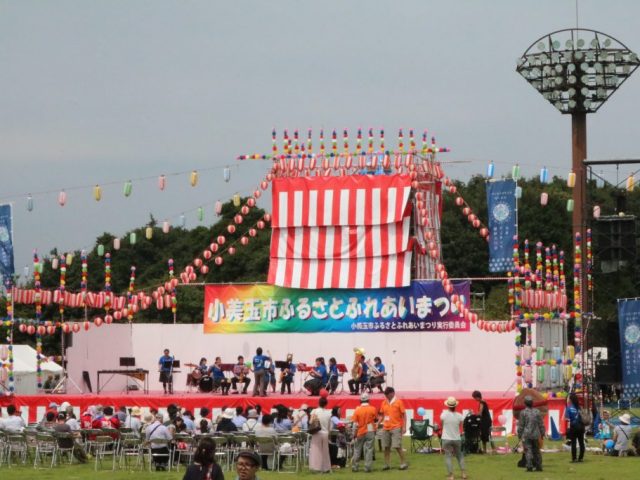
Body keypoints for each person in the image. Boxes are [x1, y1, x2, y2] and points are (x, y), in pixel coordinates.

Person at [379, 386, 408, 470]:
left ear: (392, 393)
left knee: (397, 446)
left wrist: (404, 427)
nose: (386, 396)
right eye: (385, 395)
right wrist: (377, 423)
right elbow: (382, 414)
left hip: (396, 427)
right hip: (386, 427)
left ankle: (403, 463)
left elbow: (404, 415)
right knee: (386, 447)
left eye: (387, 394)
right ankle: (386, 464)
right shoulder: (384, 402)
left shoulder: (399, 402)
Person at [440, 397, 467, 480]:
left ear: (448, 405)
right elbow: (460, 426)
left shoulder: (443, 415)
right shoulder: (459, 416)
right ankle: (463, 473)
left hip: (446, 438)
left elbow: (442, 425)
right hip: (456, 438)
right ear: (455, 405)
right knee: (460, 456)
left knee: (448, 456)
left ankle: (451, 475)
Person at [517, 395, 545, 472]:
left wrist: (519, 435)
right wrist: (542, 433)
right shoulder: (537, 412)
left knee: (528, 450)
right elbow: (541, 424)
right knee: (537, 451)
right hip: (536, 434)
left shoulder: (523, 413)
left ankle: (529, 466)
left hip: (526, 435)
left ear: (525, 403)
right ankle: (539, 466)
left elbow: (521, 426)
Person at [351, 393, 377, 472]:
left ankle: (355, 467)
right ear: (368, 400)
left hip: (360, 431)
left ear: (360, 400)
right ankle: (367, 467)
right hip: (370, 430)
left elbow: (355, 424)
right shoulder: (373, 409)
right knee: (369, 449)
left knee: (357, 449)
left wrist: (354, 434)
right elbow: (375, 419)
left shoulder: (357, 409)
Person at [309, 397, 332, 473]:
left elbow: (310, 422)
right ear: (326, 404)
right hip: (325, 433)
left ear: (318, 403)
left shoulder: (314, 411)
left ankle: (316, 467)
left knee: (316, 450)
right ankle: (326, 467)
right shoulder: (329, 413)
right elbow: (329, 426)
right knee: (325, 451)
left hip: (317, 432)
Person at [565, 393, 585, 463]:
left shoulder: (569, 408)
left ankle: (574, 458)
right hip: (581, 427)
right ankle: (581, 458)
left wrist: (567, 429)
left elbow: (567, 419)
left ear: (570, 399)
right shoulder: (579, 408)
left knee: (573, 443)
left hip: (573, 427)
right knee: (581, 442)